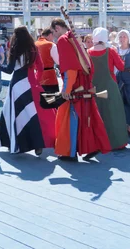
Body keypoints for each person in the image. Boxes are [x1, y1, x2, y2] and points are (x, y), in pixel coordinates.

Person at [50, 18, 111, 161]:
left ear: (57, 28)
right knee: (88, 117)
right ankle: (92, 146)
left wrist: (66, 90)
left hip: (75, 86)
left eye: (53, 32)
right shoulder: (74, 38)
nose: (53, 35)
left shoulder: (64, 41)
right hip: (84, 84)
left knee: (70, 118)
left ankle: (70, 153)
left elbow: (70, 69)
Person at [0, 26, 45, 154]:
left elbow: (9, 70)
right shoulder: (33, 48)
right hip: (27, 82)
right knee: (31, 113)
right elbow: (41, 67)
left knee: (10, 113)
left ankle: (12, 143)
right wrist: (37, 81)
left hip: (16, 84)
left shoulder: (15, 49)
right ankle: (37, 143)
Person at [88, 27, 128, 150]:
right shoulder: (110, 51)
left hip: (93, 87)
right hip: (109, 86)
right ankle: (116, 142)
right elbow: (121, 67)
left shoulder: (88, 52)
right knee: (114, 114)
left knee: (97, 114)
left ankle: (98, 143)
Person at [35, 28, 60, 94]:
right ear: (50, 35)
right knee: (51, 101)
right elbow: (58, 61)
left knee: (39, 101)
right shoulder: (51, 45)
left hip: (37, 77)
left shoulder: (34, 44)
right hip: (49, 78)